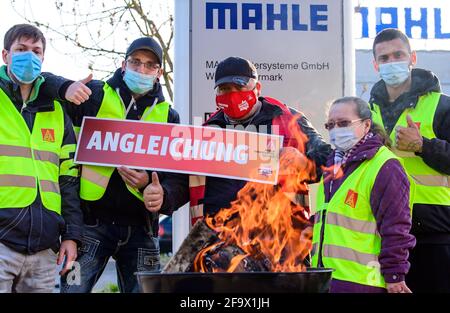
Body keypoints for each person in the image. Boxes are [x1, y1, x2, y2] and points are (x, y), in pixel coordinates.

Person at [44, 37, 181, 293]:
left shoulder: (170, 116)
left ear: (159, 72)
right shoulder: (93, 96)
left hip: (142, 230)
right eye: (136, 62)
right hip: (90, 228)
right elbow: (43, 85)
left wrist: (157, 189)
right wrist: (64, 87)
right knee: (70, 290)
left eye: (150, 65)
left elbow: (174, 178)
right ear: (123, 64)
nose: (141, 70)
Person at [144, 56, 331, 233]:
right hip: (216, 238)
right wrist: (164, 195)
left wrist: (304, 163)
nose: (232, 94)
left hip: (278, 239)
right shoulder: (207, 132)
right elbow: (183, 181)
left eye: (239, 87)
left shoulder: (289, 121)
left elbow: (329, 160)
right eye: (224, 88)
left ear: (257, 87)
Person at [0, 24, 82, 292]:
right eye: (21, 50)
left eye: (36, 51)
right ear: (5, 55)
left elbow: (68, 180)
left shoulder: (58, 111)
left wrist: (71, 236)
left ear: (43, 59)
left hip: (45, 249)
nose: (29, 57)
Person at [369, 28, 450, 293]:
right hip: (382, 235)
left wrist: (423, 146)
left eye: (398, 55)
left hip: (434, 237)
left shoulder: (442, 106)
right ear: (375, 64)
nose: (391, 62)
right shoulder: (365, 112)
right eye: (384, 58)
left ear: (412, 58)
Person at [311, 96, 416, 293]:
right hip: (325, 280)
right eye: (330, 125)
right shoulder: (332, 166)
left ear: (366, 125)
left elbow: (396, 226)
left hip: (363, 283)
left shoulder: (385, 166)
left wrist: (395, 274)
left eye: (343, 123)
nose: (336, 130)